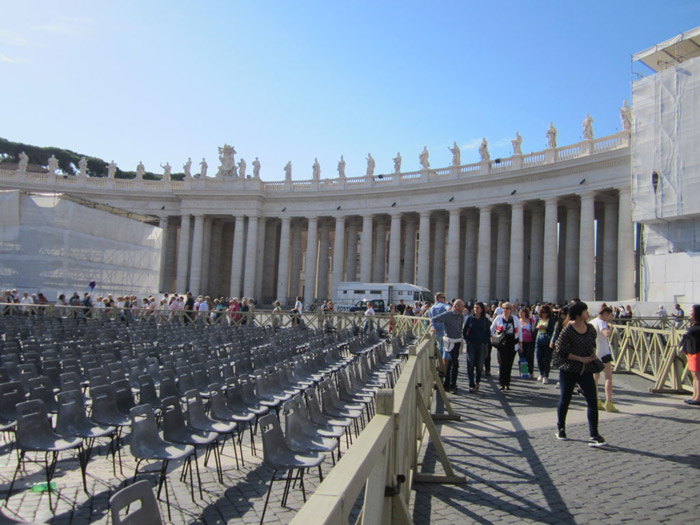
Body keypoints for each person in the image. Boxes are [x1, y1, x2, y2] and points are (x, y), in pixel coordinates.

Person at [553, 301, 606, 446]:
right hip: (569, 369)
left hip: (585, 369)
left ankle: (594, 434)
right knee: (565, 399)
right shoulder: (568, 329)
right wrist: (579, 358)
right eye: (585, 311)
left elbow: (592, 344)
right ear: (578, 314)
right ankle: (561, 428)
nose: (587, 313)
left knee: (592, 400)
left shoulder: (590, 329)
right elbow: (560, 350)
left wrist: (593, 355)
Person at [430, 299, 467, 392]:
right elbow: (433, 319)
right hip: (449, 342)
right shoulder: (447, 315)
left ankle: (446, 384)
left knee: (450, 363)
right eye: (462, 306)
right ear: (456, 306)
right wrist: (433, 328)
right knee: (455, 364)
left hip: (457, 341)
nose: (464, 307)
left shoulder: (461, 316)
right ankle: (452, 385)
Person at [591, 305, 619, 412]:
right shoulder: (601, 322)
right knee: (608, 377)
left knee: (595, 378)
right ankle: (609, 402)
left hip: (594, 352)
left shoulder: (592, 322)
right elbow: (606, 333)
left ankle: (597, 400)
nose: (609, 317)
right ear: (606, 314)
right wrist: (610, 328)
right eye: (609, 315)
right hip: (604, 352)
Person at [490, 302, 522, 391]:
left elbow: (519, 332)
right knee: (502, 364)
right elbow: (491, 329)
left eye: (508, 308)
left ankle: (507, 383)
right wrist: (492, 339)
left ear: (511, 310)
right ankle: (501, 383)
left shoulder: (515, 319)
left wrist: (521, 344)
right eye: (504, 308)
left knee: (509, 364)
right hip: (502, 344)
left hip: (512, 344)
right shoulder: (498, 318)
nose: (506, 310)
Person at [463, 302, 490, 392]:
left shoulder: (485, 320)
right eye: (474, 308)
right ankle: (471, 383)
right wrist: (467, 341)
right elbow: (465, 330)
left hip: (481, 345)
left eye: (477, 308)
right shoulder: (470, 319)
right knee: (470, 364)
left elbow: (488, 333)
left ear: (481, 309)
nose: (475, 309)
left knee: (479, 365)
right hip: (471, 345)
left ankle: (477, 381)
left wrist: (485, 343)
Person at [680, 304, 700, 405]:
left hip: (697, 351)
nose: (690, 313)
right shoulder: (693, 324)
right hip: (691, 352)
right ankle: (695, 395)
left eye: (691, 311)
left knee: (698, 376)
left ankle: (698, 397)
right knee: (694, 376)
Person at [428, 292, 450, 376]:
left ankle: (439, 365)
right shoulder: (443, 305)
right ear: (438, 298)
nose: (445, 300)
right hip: (445, 331)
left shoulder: (432, 308)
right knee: (446, 350)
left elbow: (431, 320)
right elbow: (449, 308)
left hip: (436, 332)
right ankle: (444, 369)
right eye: (443, 298)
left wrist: (432, 327)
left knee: (440, 349)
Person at [534, 304, 556, 383]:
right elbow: (533, 330)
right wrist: (537, 328)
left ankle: (546, 375)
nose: (544, 314)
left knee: (547, 359)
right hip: (539, 341)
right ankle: (541, 373)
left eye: (546, 313)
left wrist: (545, 328)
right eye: (542, 312)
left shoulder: (551, 320)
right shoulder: (538, 319)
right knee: (539, 358)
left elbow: (553, 330)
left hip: (547, 341)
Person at [519, 307, 536, 377]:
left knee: (529, 356)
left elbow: (534, 329)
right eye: (519, 312)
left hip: (530, 341)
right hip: (521, 342)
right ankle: (524, 372)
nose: (520, 313)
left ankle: (531, 371)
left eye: (521, 312)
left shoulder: (531, 321)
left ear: (525, 313)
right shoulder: (518, 321)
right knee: (522, 357)